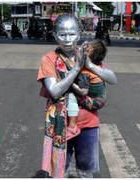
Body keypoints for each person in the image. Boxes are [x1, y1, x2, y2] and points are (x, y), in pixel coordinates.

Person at [37, 15, 117, 178]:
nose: (67, 39)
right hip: (60, 127)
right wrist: (76, 69)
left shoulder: (87, 54)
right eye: (62, 34)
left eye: (72, 34)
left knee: (86, 173)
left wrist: (89, 65)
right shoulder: (49, 59)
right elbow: (54, 91)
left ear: (79, 34)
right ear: (55, 35)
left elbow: (113, 79)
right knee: (59, 172)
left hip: (88, 125)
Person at [66, 39, 108, 140]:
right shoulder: (98, 66)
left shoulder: (85, 72)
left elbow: (83, 91)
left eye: (85, 49)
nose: (81, 49)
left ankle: (72, 127)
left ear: (88, 55)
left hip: (94, 102)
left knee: (71, 96)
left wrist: (70, 83)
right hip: (101, 98)